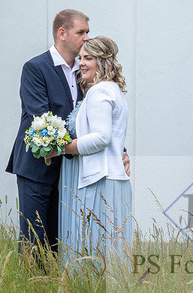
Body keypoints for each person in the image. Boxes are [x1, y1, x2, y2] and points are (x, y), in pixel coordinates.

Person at [6, 9, 90, 252]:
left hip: (68, 169)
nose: (86, 38)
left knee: (58, 240)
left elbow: (95, 116)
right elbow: (41, 116)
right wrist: (78, 146)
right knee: (34, 238)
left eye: (87, 32)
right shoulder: (35, 68)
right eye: (81, 32)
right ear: (62, 33)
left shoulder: (84, 71)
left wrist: (119, 149)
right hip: (36, 166)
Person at [54, 36, 134, 273]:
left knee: (91, 249)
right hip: (108, 177)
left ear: (104, 61)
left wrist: (63, 148)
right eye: (80, 58)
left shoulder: (99, 92)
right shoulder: (111, 90)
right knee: (106, 249)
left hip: (98, 180)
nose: (81, 64)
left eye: (88, 58)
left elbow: (102, 138)